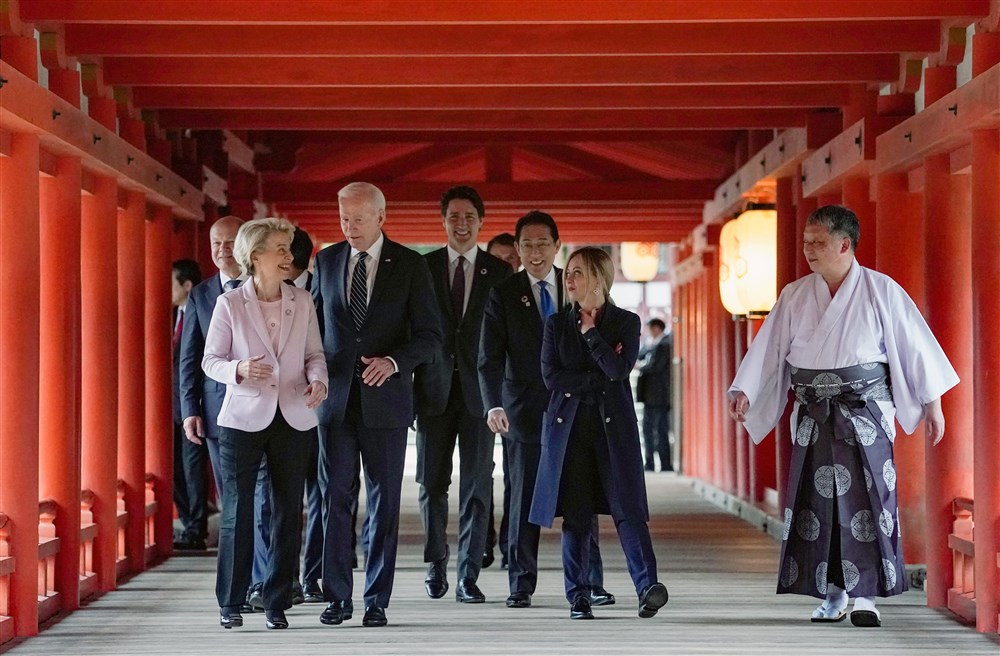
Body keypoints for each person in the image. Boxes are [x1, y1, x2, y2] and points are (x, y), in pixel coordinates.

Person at [729, 205, 958, 627]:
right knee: (819, 506)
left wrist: (933, 405)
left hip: (864, 412)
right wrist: (746, 388)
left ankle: (866, 596)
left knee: (871, 503)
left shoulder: (881, 290)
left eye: (818, 242)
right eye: (806, 242)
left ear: (844, 244)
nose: (809, 250)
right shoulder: (795, 295)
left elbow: (915, 348)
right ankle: (833, 594)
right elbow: (769, 349)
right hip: (814, 415)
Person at [313, 182, 443, 628]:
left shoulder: (409, 265)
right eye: (343, 218)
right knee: (335, 498)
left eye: (358, 219)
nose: (349, 227)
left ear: (381, 217)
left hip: (386, 401)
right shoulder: (326, 260)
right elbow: (313, 328)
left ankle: (376, 600)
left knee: (384, 503)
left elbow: (430, 336)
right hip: (334, 401)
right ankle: (337, 597)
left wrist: (394, 362)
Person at [479, 211, 612, 610]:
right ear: (517, 249)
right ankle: (521, 583)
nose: (535, 252)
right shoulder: (503, 293)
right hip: (524, 410)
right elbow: (489, 357)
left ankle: (591, 582)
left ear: (557, 245)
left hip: (575, 408)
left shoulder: (576, 283)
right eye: (527, 245)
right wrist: (493, 404)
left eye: (542, 244)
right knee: (524, 497)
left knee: (581, 497)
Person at [202, 218, 328, 631]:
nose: (289, 256)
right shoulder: (230, 304)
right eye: (281, 249)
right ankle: (231, 601)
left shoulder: (302, 300)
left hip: (293, 414)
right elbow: (210, 361)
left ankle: (277, 601)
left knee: (288, 511)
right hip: (242, 418)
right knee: (237, 511)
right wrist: (238, 369)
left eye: (288, 248)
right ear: (256, 256)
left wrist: (319, 381)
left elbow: (314, 355)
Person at [530, 246, 669, 620]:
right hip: (570, 431)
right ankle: (578, 595)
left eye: (578, 272)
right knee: (576, 515)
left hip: (614, 430)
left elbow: (620, 370)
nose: (569, 278)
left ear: (599, 278)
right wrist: (598, 375)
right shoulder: (556, 325)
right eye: (568, 271)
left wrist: (592, 334)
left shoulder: (626, 322)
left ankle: (647, 588)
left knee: (628, 510)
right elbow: (552, 377)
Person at [414, 186, 512, 604]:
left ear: (481, 221)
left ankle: (468, 576)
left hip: (482, 395)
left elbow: (508, 337)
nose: (461, 223)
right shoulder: (423, 267)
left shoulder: (500, 272)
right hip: (431, 391)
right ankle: (436, 563)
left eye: (469, 216)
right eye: (453, 216)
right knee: (431, 483)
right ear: (443, 220)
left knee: (477, 485)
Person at [483, 232, 520, 569]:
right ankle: (483, 540)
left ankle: (511, 544)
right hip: (481, 391)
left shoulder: (523, 294)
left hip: (516, 396)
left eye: (511, 259)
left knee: (514, 474)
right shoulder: (482, 291)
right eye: (499, 259)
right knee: (481, 471)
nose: (506, 266)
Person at [171, 258, 206, 550]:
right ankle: (188, 521)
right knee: (175, 468)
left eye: (171, 283)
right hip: (174, 406)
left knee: (193, 467)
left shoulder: (202, 313)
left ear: (187, 286)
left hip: (196, 406)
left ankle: (197, 528)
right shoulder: (173, 316)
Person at [637, 318, 673, 472]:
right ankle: (650, 463)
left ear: (657, 328)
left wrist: (641, 367)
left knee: (660, 431)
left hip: (659, 396)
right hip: (649, 396)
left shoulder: (665, 344)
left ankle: (664, 464)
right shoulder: (651, 344)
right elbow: (639, 356)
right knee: (649, 430)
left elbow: (655, 366)